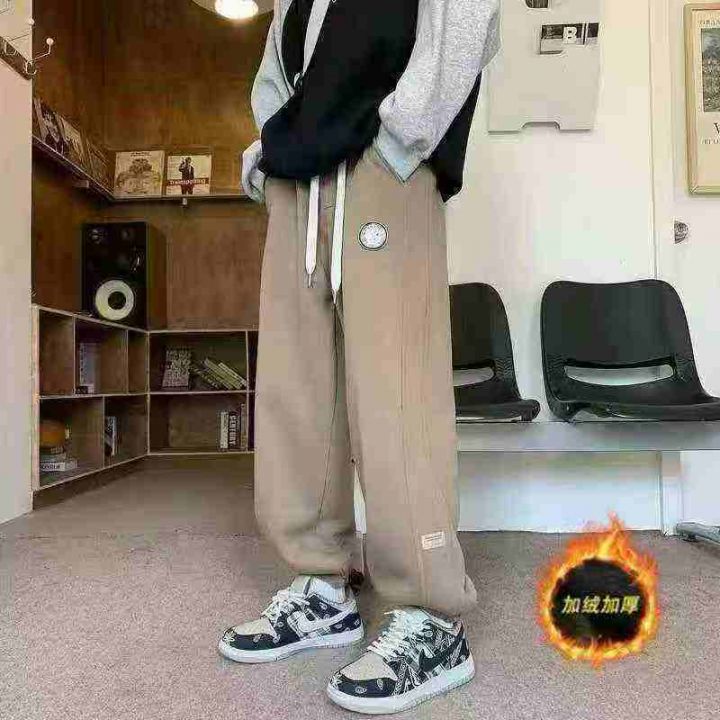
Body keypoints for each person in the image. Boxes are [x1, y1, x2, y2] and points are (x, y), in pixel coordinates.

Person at [220, 0, 500, 713]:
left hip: (384, 165)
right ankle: (323, 583)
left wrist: (401, 140)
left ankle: (431, 614)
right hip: (299, 176)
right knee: (298, 386)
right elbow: (279, 68)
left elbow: (465, 18)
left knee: (396, 386)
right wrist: (269, 155)